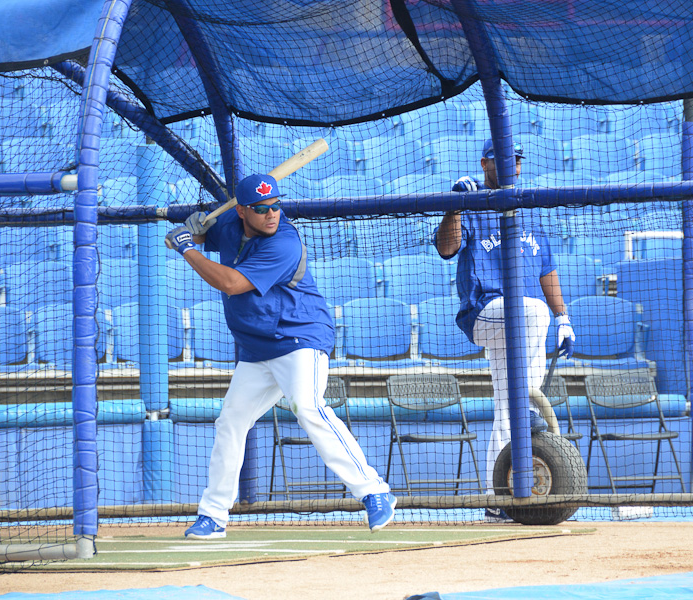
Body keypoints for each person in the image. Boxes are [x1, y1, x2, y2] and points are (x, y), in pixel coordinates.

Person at [165, 173, 396, 539]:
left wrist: (186, 248)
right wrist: (195, 231)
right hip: (258, 349)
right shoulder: (228, 222)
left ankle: (374, 490)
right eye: (261, 208)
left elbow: (230, 282)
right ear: (241, 211)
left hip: (300, 337)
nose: (271, 213)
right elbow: (201, 233)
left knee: (308, 407)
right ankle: (213, 516)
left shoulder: (284, 242)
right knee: (230, 421)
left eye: (275, 205)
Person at [433, 139, 574, 521]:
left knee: (505, 401)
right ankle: (527, 410)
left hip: (526, 323)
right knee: (531, 310)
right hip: (485, 312)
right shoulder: (474, 202)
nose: (511, 165)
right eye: (503, 159)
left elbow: (546, 268)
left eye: (516, 159)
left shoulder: (528, 208)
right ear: (485, 162)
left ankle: (497, 494)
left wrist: (563, 317)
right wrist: (454, 208)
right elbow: (447, 249)